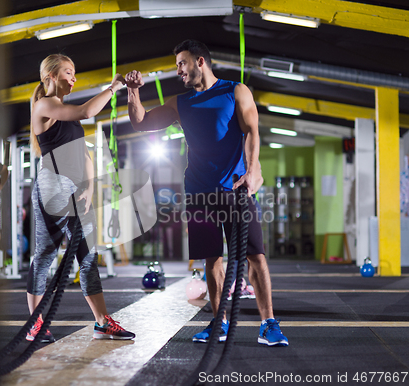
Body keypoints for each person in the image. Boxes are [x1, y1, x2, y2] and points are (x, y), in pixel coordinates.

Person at [126, 40, 288, 346]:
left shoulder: (235, 91)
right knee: (211, 260)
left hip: (236, 189)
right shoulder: (180, 103)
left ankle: (269, 323)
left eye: (182, 63)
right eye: (177, 65)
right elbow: (141, 123)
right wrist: (133, 91)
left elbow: (252, 131)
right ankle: (220, 323)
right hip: (199, 193)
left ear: (201, 61)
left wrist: (253, 170)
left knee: (255, 256)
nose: (178, 71)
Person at [27, 53, 135, 343]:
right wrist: (113, 88)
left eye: (74, 73)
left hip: (78, 188)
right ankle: (35, 324)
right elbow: (88, 112)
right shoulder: (45, 105)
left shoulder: (64, 109)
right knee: (46, 255)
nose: (73, 78)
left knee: (88, 257)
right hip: (53, 186)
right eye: (68, 73)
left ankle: (102, 322)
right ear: (50, 76)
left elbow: (84, 153)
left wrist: (88, 186)